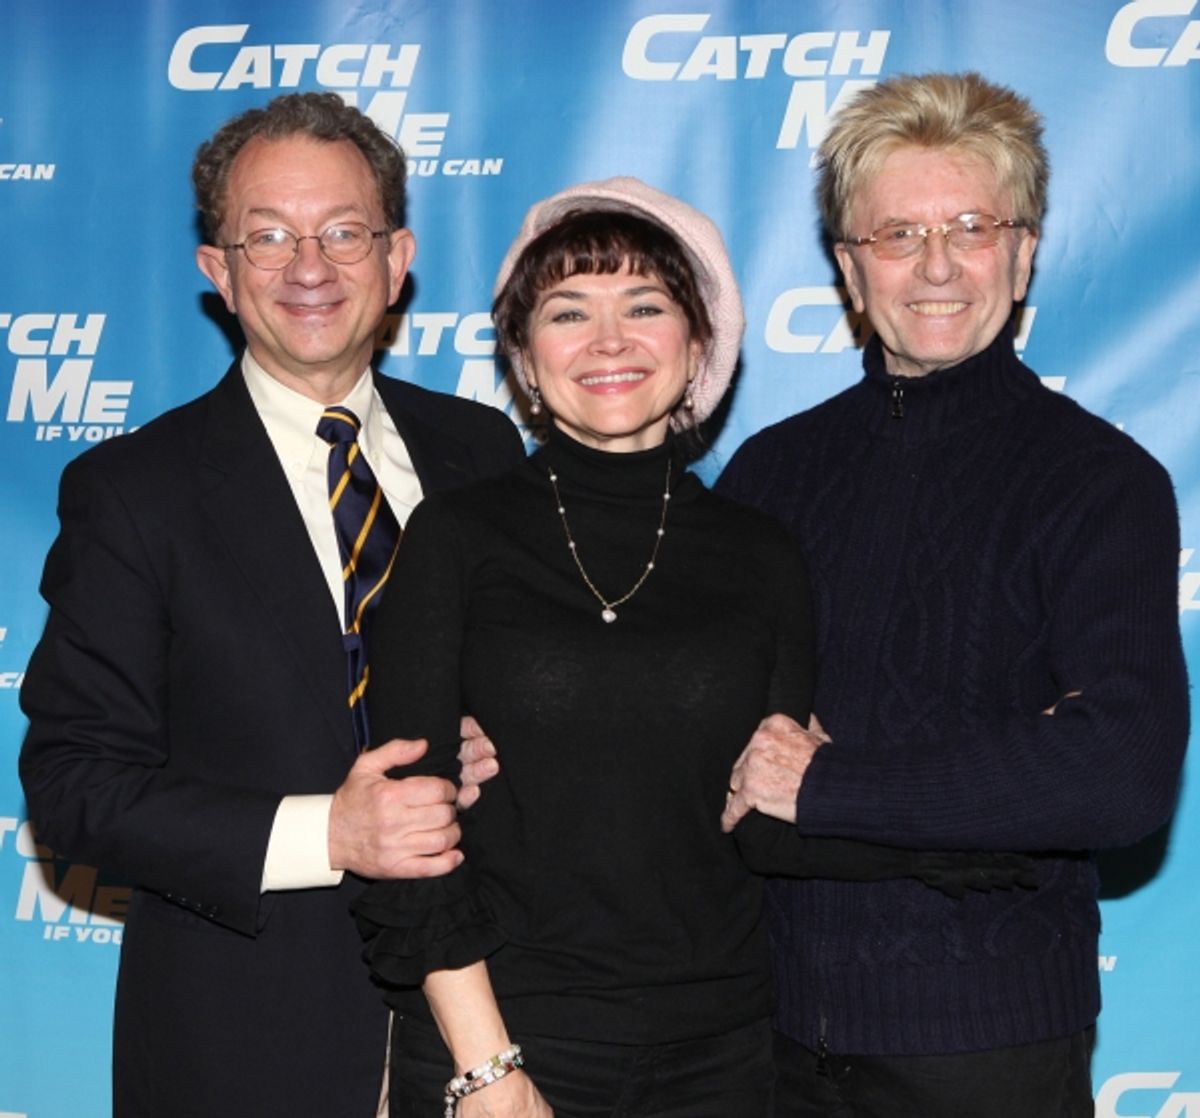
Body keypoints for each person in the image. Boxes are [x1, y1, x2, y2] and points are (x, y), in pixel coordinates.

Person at [351, 177, 1033, 1118]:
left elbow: (767, 817)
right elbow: (407, 834)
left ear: (700, 341)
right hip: (509, 1041)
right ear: (523, 357)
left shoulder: (759, 550)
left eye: (645, 305)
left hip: (724, 1056)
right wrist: (486, 1069)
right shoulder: (455, 537)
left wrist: (981, 835)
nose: (610, 341)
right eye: (568, 312)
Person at [18, 92, 523, 1117]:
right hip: (243, 1049)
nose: (309, 266)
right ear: (219, 270)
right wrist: (326, 833)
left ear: (396, 259)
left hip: (490, 1025)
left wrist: (503, 739)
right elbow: (75, 785)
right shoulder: (134, 491)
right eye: (270, 236)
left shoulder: (482, 451)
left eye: (343, 231)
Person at [717, 72, 1189, 1118]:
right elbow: (709, 749)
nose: (937, 265)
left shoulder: (1100, 482)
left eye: (973, 226)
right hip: (760, 1043)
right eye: (898, 234)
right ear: (850, 267)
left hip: (988, 1052)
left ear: (1024, 253)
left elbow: (1119, 771)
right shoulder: (769, 473)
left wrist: (830, 785)